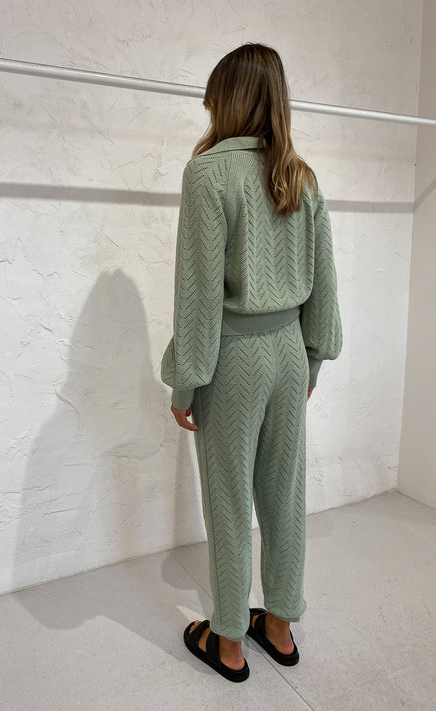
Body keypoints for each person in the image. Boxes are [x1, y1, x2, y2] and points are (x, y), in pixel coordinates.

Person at [160, 42, 343, 683]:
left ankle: (230, 640)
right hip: (289, 351)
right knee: (285, 494)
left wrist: (185, 382)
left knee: (230, 499)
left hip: (233, 358)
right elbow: (324, 282)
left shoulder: (208, 173)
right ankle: (281, 625)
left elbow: (198, 294)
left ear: (228, 99)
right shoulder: (301, 176)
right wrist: (312, 361)